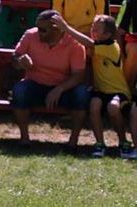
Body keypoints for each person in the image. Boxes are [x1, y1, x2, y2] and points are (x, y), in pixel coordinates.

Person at [53, 14, 136, 158]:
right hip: (100, 91)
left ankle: (123, 141)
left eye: (96, 29)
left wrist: (65, 27)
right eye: (92, 27)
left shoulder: (111, 46)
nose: (93, 31)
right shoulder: (98, 44)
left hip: (118, 91)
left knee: (113, 107)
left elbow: (89, 44)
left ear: (108, 34)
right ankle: (99, 143)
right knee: (94, 104)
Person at [12, 9, 89, 150]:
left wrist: (59, 89)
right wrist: (20, 61)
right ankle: (24, 139)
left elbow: (78, 75)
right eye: (37, 27)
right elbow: (15, 57)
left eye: (42, 29)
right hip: (35, 84)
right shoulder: (30, 35)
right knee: (19, 90)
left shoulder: (75, 44)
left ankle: (73, 142)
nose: (38, 31)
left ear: (57, 29)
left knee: (81, 93)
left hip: (63, 89)